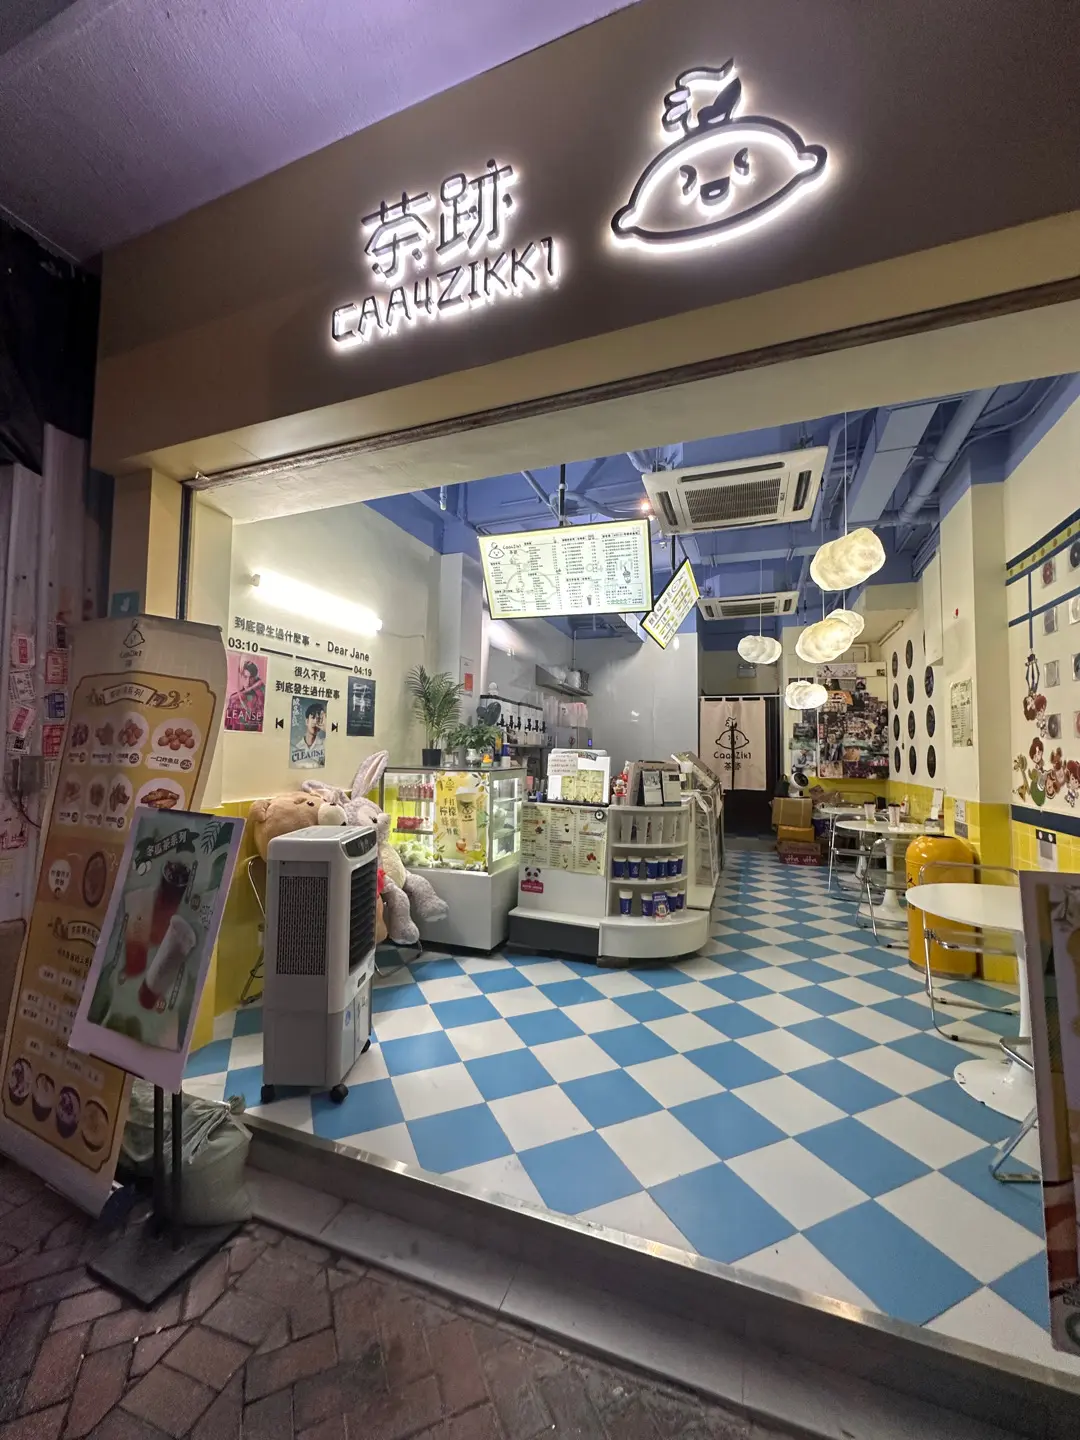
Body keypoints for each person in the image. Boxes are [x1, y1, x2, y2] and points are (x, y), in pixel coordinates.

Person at [226, 659, 265, 731]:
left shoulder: (259, 698)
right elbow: (228, 726)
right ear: (241, 676)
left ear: (255, 678)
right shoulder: (234, 699)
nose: (248, 681)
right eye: (245, 677)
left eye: (251, 678)